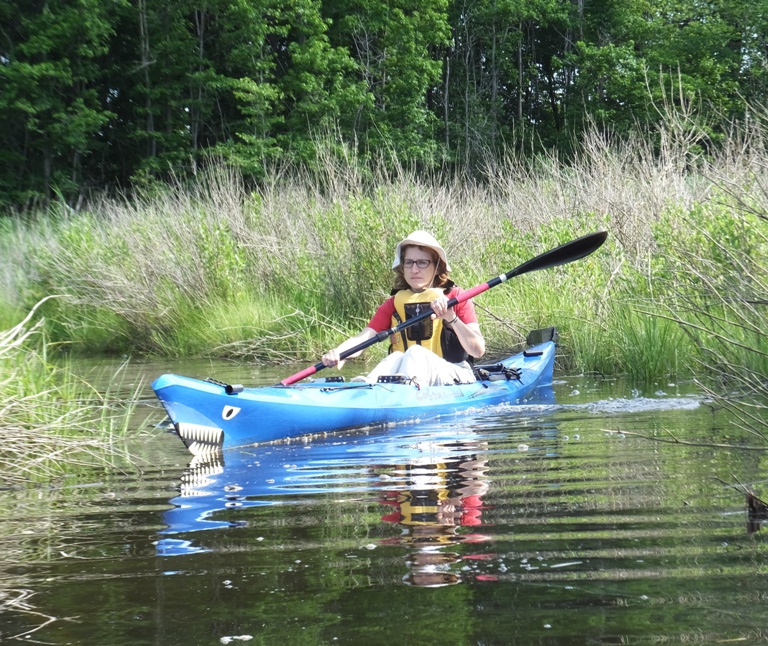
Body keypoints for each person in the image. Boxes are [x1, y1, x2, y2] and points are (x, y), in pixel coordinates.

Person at [321, 230, 485, 386]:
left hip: (456, 375)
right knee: (396, 356)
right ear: (402, 268)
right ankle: (368, 388)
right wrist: (339, 352)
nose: (414, 269)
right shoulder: (393, 304)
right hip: (412, 376)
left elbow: (478, 350)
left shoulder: (456, 297)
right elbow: (363, 338)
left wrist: (451, 317)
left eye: (422, 262)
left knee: (415, 352)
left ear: (437, 267)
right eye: (409, 263)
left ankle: (401, 388)